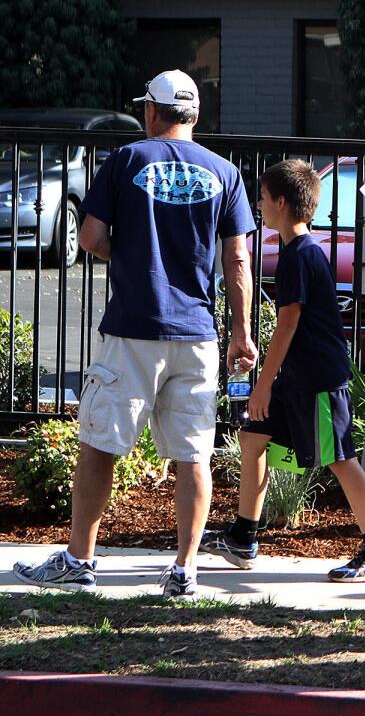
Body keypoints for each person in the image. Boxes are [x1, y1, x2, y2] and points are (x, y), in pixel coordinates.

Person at [13, 70, 257, 598]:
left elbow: (92, 236)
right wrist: (241, 331)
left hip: (133, 328)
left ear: (151, 111)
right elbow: (237, 258)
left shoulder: (127, 160)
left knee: (101, 444)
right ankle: (185, 570)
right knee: (192, 454)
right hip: (197, 333)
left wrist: (127, 253)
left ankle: (80, 559)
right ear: (193, 115)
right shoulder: (224, 172)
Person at [197, 160, 365, 581]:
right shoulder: (299, 251)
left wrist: (262, 387)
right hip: (297, 378)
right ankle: (243, 537)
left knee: (341, 460)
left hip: (318, 379)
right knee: (253, 438)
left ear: (283, 202)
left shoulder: (299, 256)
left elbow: (288, 324)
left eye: (265, 197)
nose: (259, 204)